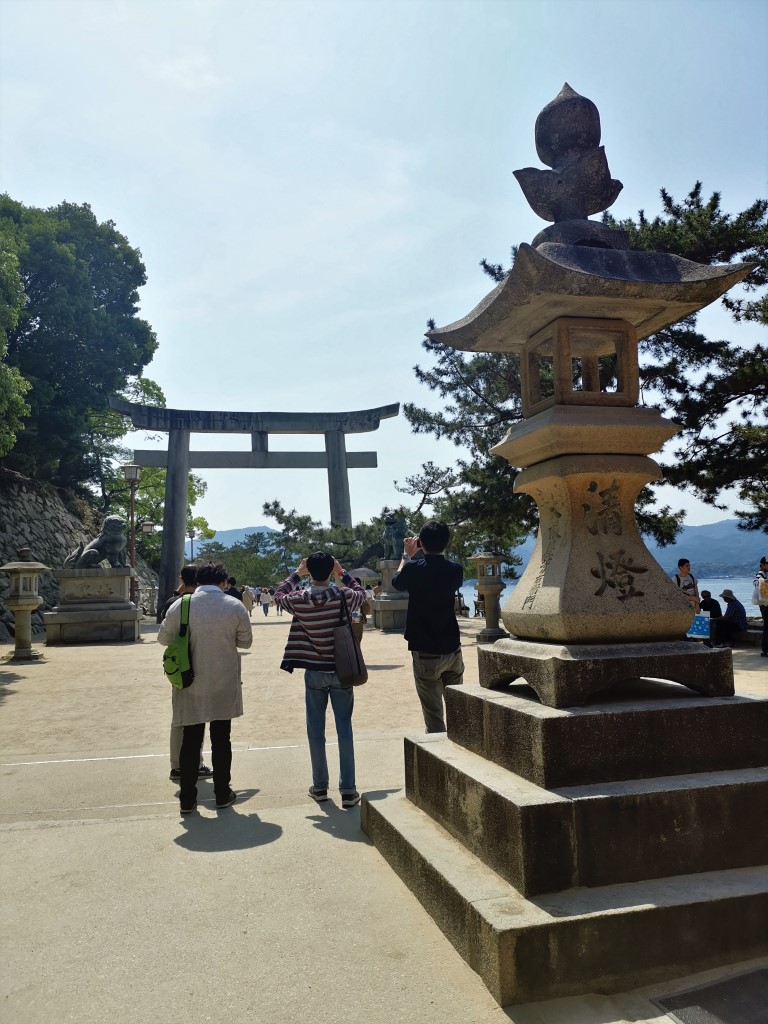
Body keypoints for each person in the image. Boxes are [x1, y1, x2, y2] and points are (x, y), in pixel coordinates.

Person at [158, 562, 253, 814]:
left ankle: (187, 799)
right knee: (222, 739)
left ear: (197, 581)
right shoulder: (234, 606)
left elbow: (163, 638)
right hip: (223, 680)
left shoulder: (182, 605)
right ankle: (222, 793)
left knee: (191, 740)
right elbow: (245, 641)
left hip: (190, 680)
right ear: (223, 583)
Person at [274, 551, 365, 808]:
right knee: (344, 728)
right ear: (331, 570)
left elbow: (278, 595)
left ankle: (320, 786)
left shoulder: (298, 600)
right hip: (342, 670)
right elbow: (362, 593)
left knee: (316, 730)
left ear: (310, 572)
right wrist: (342, 572)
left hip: (314, 671)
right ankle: (348, 790)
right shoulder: (344, 597)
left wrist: (296, 574)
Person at [391, 520, 464, 733]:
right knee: (457, 707)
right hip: (452, 649)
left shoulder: (413, 568)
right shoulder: (455, 570)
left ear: (420, 543)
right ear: (446, 543)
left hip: (425, 651)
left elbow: (397, 582)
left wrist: (406, 555)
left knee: (434, 717)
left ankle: (439, 760)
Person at [159, 565, 212, 782]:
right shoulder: (205, 604)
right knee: (198, 718)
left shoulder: (174, 603)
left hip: (180, 666)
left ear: (182, 579)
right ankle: (195, 763)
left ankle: (177, 765)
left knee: (179, 718)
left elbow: (164, 637)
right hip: (202, 666)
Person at [754, 556, 768, 657]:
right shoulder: (761, 574)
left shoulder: (765, 573)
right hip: (765, 605)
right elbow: (756, 582)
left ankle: (765, 650)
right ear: (762, 564)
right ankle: (765, 649)